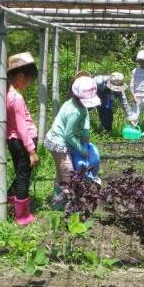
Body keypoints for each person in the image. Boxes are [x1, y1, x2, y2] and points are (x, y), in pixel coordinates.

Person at [44, 75, 100, 209]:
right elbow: (68, 135)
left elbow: (85, 117)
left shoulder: (77, 104)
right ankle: (70, 206)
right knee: (68, 174)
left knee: (61, 173)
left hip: (62, 141)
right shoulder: (74, 111)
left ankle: (57, 204)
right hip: (58, 144)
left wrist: (85, 135)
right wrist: (82, 149)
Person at [6, 52, 40, 226]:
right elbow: (21, 127)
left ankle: (10, 199)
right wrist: (32, 151)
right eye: (28, 80)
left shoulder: (5, 94)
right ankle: (23, 216)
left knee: (21, 173)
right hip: (22, 142)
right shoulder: (16, 98)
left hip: (13, 141)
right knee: (24, 178)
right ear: (20, 76)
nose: (29, 84)